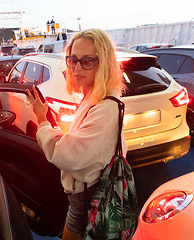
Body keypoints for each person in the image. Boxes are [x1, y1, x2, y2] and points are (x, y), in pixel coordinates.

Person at [26, 28, 127, 240]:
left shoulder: (105, 105)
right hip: (85, 196)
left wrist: (42, 120)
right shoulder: (93, 95)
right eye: (73, 60)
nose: (77, 67)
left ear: (104, 63)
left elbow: (67, 155)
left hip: (89, 200)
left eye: (87, 61)